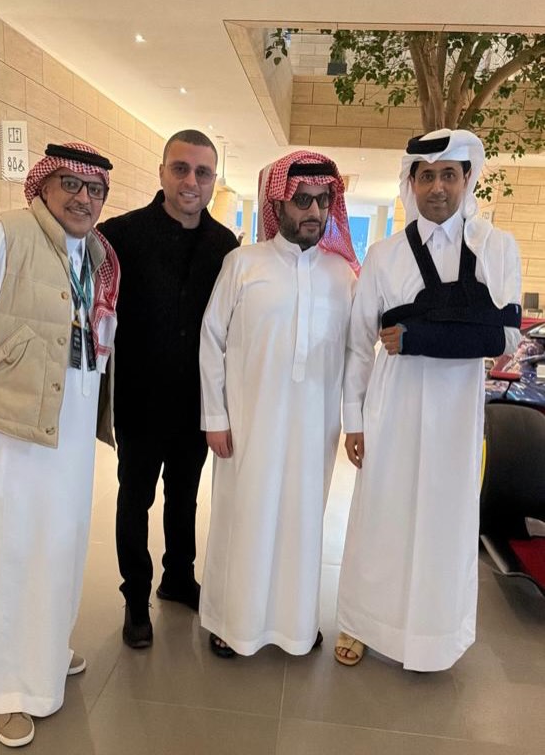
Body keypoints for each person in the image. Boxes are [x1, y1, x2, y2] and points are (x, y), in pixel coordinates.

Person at [0, 142, 119, 747]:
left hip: (69, 437)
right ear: (42, 184)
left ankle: (44, 652)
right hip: (7, 436)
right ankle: (8, 686)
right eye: (71, 184)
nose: (83, 198)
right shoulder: (2, 236)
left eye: (94, 189)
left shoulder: (97, 253)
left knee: (58, 547)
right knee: (7, 553)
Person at [335, 128, 522, 672]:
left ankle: (434, 636)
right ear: (411, 183)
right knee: (382, 514)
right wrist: (353, 420)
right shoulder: (384, 255)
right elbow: (360, 342)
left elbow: (503, 337)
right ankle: (362, 622)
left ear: (466, 179)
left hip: (457, 413)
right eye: (426, 176)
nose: (437, 187)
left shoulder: (496, 249)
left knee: (445, 521)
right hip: (392, 408)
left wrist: (419, 336)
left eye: (448, 175)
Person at [199, 151, 360, 658]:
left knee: (302, 524)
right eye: (302, 200)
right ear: (278, 204)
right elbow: (211, 341)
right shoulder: (243, 264)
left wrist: (354, 421)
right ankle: (232, 624)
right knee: (245, 521)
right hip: (249, 426)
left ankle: (295, 626)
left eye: (323, 201)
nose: (314, 211)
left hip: (314, 431)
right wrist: (215, 417)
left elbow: (357, 352)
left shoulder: (342, 275)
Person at [98, 129, 238, 649]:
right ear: (162, 172)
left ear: (213, 180)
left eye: (202, 172)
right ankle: (136, 598)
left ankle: (178, 576)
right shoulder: (120, 235)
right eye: (181, 168)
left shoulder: (226, 247)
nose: (191, 181)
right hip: (139, 400)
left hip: (195, 403)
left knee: (184, 497)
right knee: (135, 499)